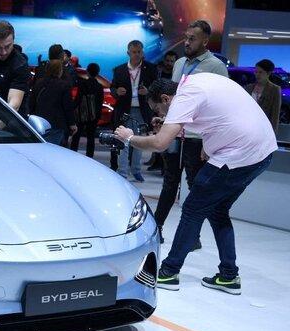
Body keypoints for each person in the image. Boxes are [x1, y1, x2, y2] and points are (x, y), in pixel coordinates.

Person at [114, 75, 276, 295]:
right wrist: (171, 122)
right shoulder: (195, 83)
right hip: (263, 152)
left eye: (158, 109)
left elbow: (160, 143)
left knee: (192, 209)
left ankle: (169, 272)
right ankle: (229, 276)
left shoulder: (184, 97)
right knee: (218, 211)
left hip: (238, 154)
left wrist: (129, 138)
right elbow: (217, 116)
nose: (158, 114)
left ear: (166, 98)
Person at [153, 20, 229, 247]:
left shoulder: (216, 67)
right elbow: (174, 100)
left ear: (205, 41)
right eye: (186, 38)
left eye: (192, 39)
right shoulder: (179, 64)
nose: (186, 42)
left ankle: (192, 236)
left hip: (197, 138)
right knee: (169, 182)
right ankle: (156, 229)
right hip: (175, 133)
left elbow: (220, 106)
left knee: (195, 186)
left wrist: (209, 141)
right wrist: (164, 119)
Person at [110, 40, 157, 182]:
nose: (137, 54)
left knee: (139, 141)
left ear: (143, 52)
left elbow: (157, 88)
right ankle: (122, 172)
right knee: (122, 140)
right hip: (124, 110)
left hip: (142, 110)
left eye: (139, 52)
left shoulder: (151, 68)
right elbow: (112, 88)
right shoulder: (119, 70)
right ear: (128, 53)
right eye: (134, 52)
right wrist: (117, 91)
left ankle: (136, 170)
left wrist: (148, 91)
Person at [29, 59, 77, 145]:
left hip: (39, 122)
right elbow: (67, 106)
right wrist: (72, 124)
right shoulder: (64, 85)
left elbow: (31, 103)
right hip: (57, 124)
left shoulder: (39, 83)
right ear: (60, 70)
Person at [71, 63, 103, 157]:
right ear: (97, 73)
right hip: (93, 115)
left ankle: (72, 155)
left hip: (81, 114)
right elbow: (100, 102)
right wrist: (97, 115)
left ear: (87, 72)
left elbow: (78, 99)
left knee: (76, 136)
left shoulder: (82, 84)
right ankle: (89, 157)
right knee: (91, 137)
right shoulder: (99, 86)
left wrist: (72, 110)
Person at [245, 59, 282, 132]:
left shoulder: (275, 89)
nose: (257, 75)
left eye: (261, 72)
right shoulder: (249, 87)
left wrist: (272, 133)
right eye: (256, 72)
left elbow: (275, 115)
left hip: (263, 128)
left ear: (268, 73)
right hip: (248, 126)